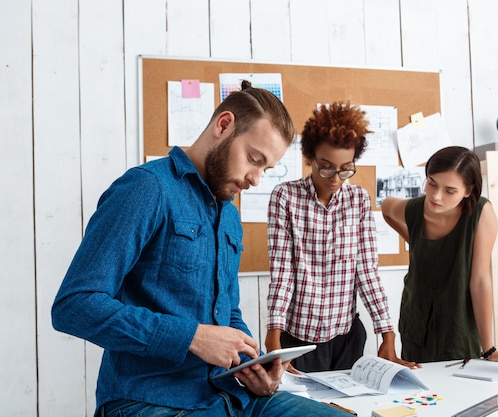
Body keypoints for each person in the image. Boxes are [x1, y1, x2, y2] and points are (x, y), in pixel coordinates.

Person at [51, 82, 349, 417]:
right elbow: (73, 306)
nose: (255, 179)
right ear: (223, 125)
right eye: (254, 158)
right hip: (149, 399)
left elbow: (228, 314)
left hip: (231, 395)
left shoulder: (230, 215)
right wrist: (191, 337)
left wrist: (254, 369)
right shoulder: (146, 188)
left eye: (265, 169)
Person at [265, 101, 417, 373]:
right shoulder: (285, 197)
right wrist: (273, 336)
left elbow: (366, 272)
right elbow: (283, 272)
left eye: (345, 168)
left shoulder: (358, 200)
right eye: (326, 167)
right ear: (310, 157)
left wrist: (387, 335)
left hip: (347, 338)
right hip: (297, 340)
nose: (335, 177)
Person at [381, 146, 498, 363]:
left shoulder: (480, 214)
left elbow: (480, 280)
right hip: (416, 322)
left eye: (449, 191)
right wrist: (414, 241)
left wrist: (488, 349)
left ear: (468, 190)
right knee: (417, 393)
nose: (436, 196)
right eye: (432, 183)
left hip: (458, 326)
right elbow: (387, 208)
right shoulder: (415, 209)